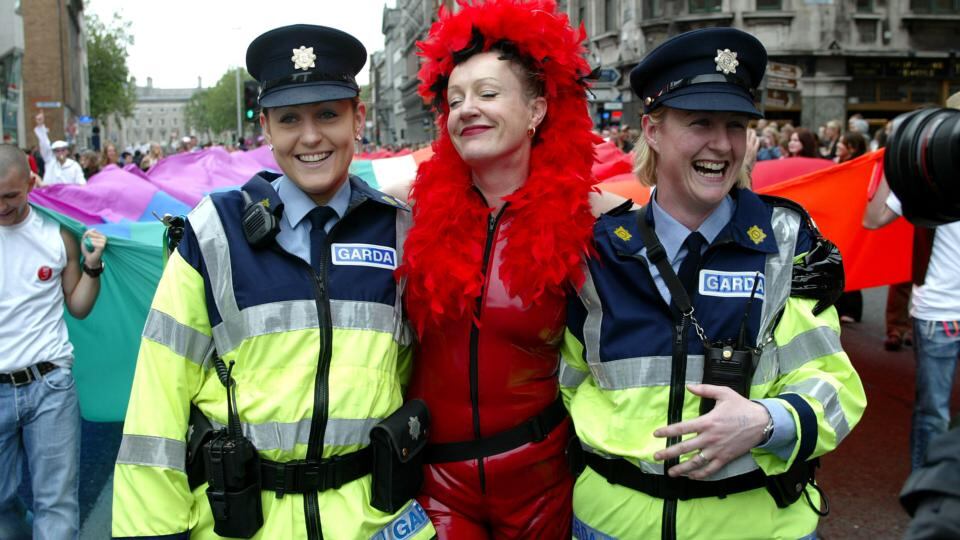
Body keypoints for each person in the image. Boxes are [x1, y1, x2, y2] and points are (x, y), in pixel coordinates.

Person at [112, 25, 435, 539]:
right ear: (265, 127)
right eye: (290, 119)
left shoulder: (401, 231)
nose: (310, 137)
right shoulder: (212, 233)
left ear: (359, 118)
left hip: (376, 522)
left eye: (328, 114)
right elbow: (157, 403)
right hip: (245, 523)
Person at [559, 28, 866, 539]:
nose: (722, 145)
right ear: (652, 131)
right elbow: (568, 383)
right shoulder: (599, 251)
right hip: (611, 525)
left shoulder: (785, 241)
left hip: (759, 526)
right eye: (699, 122)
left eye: (736, 125)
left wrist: (766, 422)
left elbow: (835, 386)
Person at [395, 1, 598, 536]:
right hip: (435, 478)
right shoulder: (402, 214)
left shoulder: (593, 222)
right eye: (455, 99)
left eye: (487, 94)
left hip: (542, 479)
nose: (466, 109)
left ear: (535, 110)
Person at [0, 143, 106, 540]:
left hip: (51, 384)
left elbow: (78, 307)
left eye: (11, 196)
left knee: (57, 503)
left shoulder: (57, 234)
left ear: (31, 183)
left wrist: (93, 267)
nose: (2, 207)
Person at [863, 170, 959, 472]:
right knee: (934, 412)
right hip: (939, 312)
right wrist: (896, 164)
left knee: (934, 411)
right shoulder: (930, 179)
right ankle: (928, 489)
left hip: (937, 313)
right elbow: (873, 218)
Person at [833, 130, 869, 323]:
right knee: (837, 262)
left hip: (852, 219)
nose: (837, 145)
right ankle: (839, 305)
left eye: (841, 142)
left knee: (849, 261)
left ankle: (853, 309)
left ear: (852, 148)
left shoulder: (860, 167)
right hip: (839, 217)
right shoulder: (837, 164)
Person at [33, 113, 85, 186]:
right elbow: (44, 144)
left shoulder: (74, 165)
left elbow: (81, 182)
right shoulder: (50, 162)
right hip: (50, 195)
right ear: (54, 152)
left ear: (67, 151)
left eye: (63, 150)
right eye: (57, 150)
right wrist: (40, 126)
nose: (60, 152)